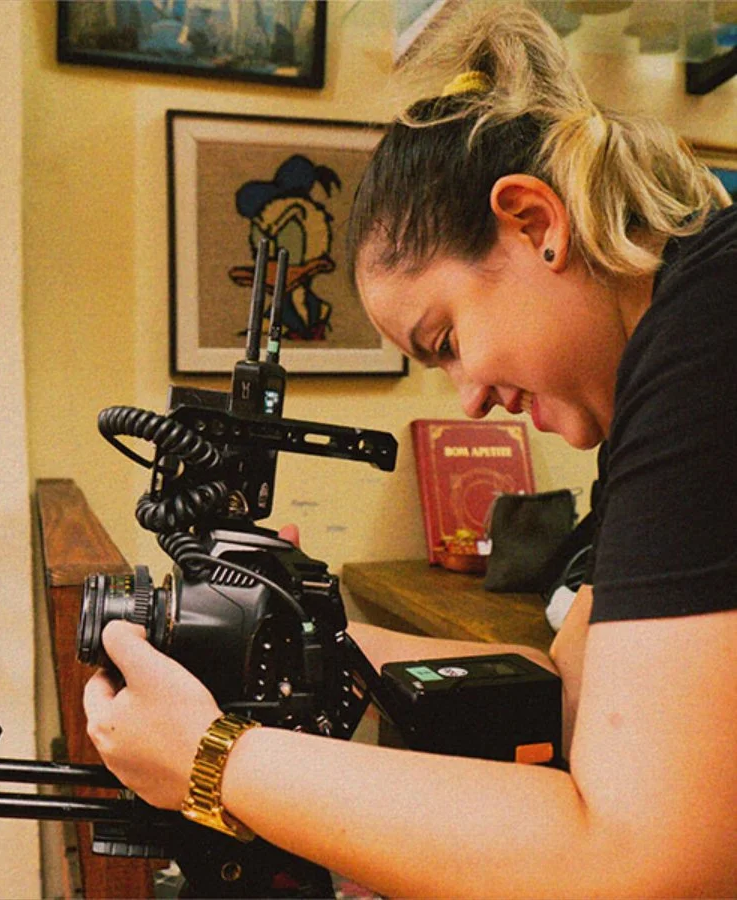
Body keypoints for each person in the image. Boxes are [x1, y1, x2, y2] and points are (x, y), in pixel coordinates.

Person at [83, 4, 736, 896]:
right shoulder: (662, 367)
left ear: (534, 222)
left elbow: (640, 867)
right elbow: (565, 688)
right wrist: (316, 634)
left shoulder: (712, 331)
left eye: (447, 339)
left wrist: (212, 762)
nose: (470, 398)